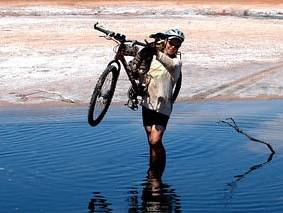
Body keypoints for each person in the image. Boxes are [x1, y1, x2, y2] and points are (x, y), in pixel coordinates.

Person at [129, 28, 185, 170]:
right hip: (148, 104)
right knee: (150, 140)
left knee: (155, 141)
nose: (173, 46)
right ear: (165, 42)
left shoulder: (176, 62)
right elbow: (141, 75)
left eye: (177, 45)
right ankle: (152, 171)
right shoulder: (153, 59)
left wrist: (154, 50)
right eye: (171, 43)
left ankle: (159, 170)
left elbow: (169, 62)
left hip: (163, 107)